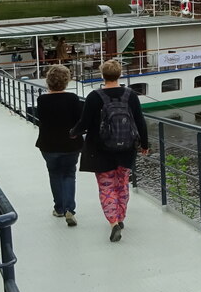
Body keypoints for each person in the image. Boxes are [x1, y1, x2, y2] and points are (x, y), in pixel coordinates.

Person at [70, 60, 150, 243]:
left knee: (106, 187)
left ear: (102, 75)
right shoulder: (130, 95)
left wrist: (73, 133)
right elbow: (140, 121)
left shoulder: (94, 97)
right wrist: (144, 145)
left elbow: (84, 123)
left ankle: (113, 222)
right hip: (127, 149)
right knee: (122, 184)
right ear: (119, 74)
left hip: (100, 150)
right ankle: (121, 217)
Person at [36, 65, 84, 227]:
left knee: (54, 174)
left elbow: (40, 119)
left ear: (48, 81)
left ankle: (59, 208)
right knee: (69, 174)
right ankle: (70, 209)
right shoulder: (73, 98)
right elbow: (80, 120)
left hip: (48, 144)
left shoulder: (41, 100)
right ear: (66, 81)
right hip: (71, 143)